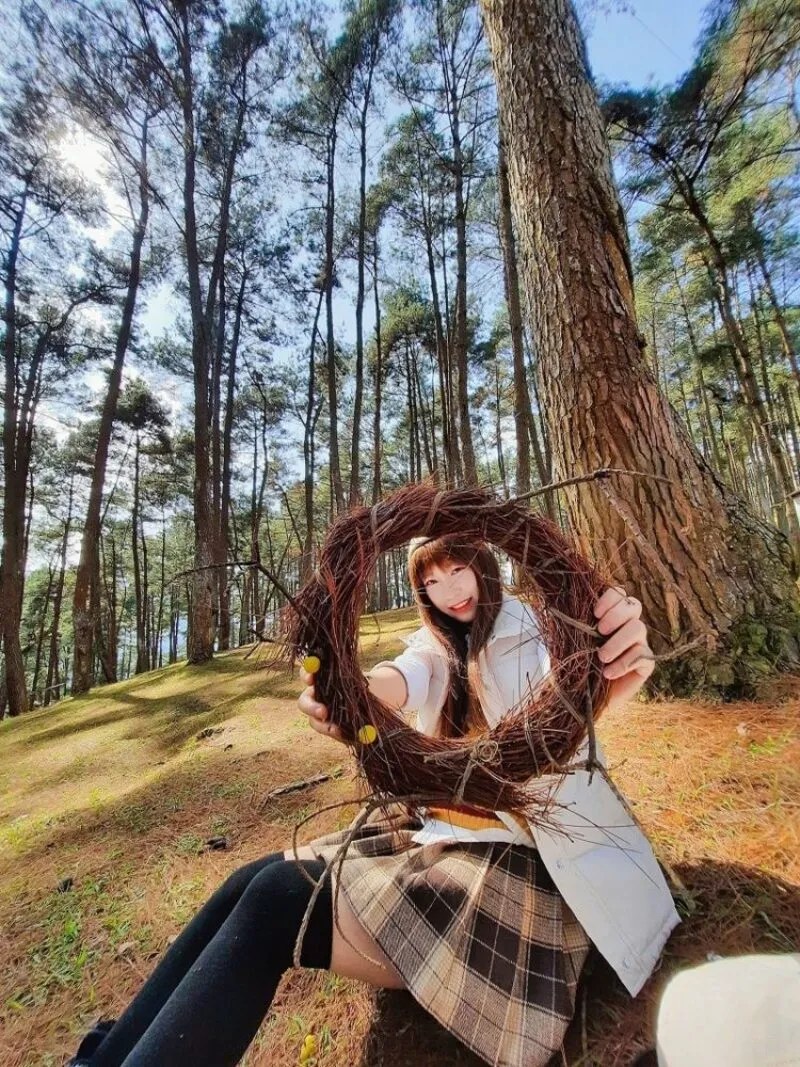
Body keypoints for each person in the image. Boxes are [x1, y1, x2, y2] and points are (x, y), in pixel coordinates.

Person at [68, 534, 678, 1067]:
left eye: (458, 569)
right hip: (444, 827)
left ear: (484, 563)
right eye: (432, 581)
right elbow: (402, 675)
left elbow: (582, 696)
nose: (449, 591)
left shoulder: (536, 628)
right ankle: (106, 1056)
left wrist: (618, 662)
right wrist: (349, 692)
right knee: (247, 881)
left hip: (530, 863)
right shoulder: (438, 643)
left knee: (281, 903)